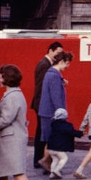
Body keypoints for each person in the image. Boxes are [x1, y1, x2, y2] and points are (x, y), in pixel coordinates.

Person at [0, 64, 39, 180]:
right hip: (11, 138)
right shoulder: (15, 94)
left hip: (10, 139)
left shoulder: (11, 96)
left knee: (17, 171)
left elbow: (5, 119)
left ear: (6, 78)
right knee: (4, 171)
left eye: (0, 76)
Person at [37, 51, 73, 173]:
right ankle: (46, 161)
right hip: (51, 113)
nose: (68, 67)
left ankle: (49, 163)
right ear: (61, 61)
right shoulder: (54, 75)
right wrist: (61, 114)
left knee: (50, 138)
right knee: (51, 139)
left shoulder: (52, 74)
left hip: (47, 112)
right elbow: (56, 97)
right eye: (67, 64)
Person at [31, 41, 63, 169]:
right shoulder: (45, 65)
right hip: (42, 103)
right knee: (43, 133)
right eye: (58, 52)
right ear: (50, 50)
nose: (59, 55)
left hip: (40, 103)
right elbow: (43, 87)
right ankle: (42, 160)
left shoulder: (46, 64)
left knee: (41, 133)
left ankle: (40, 159)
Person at [46, 108, 82, 179]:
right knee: (64, 158)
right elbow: (72, 132)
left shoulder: (53, 124)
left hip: (50, 147)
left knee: (55, 160)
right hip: (58, 147)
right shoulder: (67, 125)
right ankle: (57, 170)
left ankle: (52, 173)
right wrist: (80, 133)